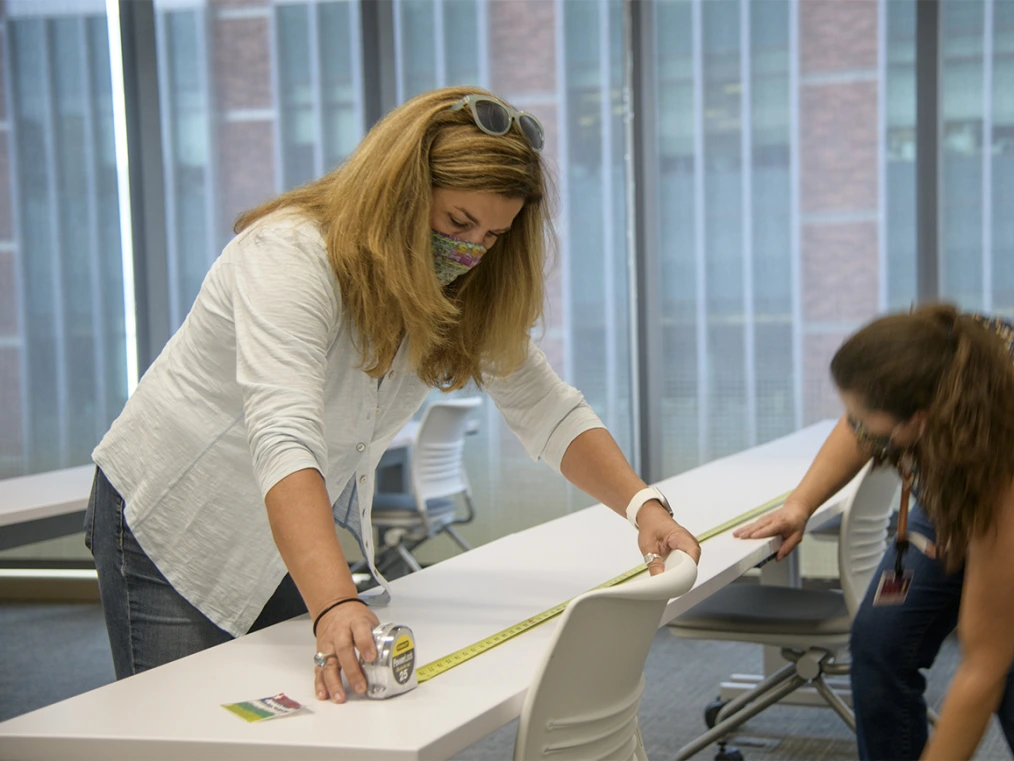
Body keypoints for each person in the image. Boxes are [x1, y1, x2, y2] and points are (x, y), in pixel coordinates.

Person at [85, 86, 700, 705]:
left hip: (287, 526)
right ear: (400, 191)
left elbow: (545, 406)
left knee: (289, 718)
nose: (471, 249)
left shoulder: (457, 286)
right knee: (178, 727)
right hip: (174, 515)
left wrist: (644, 507)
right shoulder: (290, 255)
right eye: (459, 223)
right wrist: (332, 601)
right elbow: (284, 435)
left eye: (493, 236)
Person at [733, 303, 1014, 760]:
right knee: (880, 641)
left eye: (870, 425)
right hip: (972, 484)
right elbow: (862, 422)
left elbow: (984, 665)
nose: (858, 428)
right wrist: (800, 504)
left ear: (921, 421)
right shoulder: (932, 355)